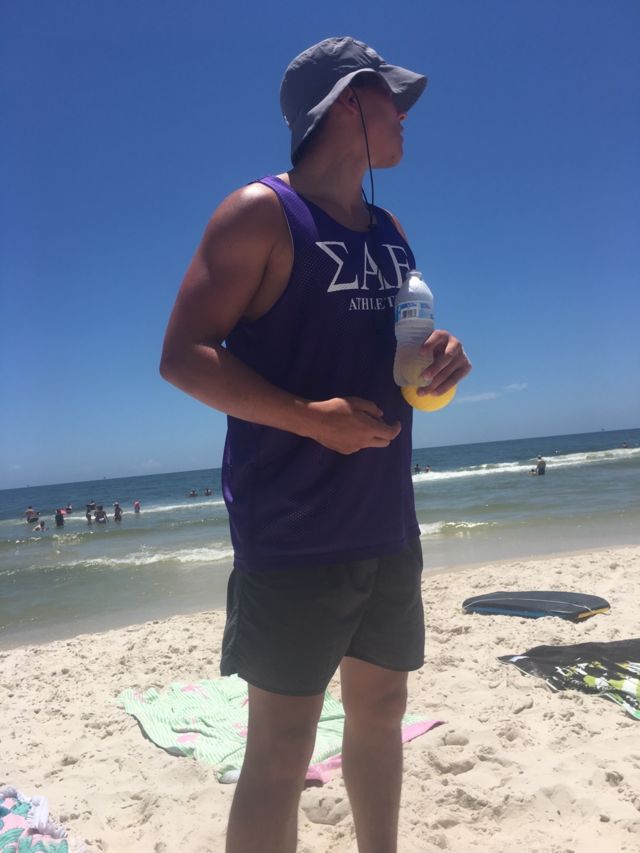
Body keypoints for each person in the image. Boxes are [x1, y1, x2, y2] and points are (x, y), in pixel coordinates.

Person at [160, 36, 471, 853]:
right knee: (281, 750)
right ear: (346, 104)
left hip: (386, 520)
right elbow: (182, 355)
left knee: (382, 712)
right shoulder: (259, 213)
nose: (404, 115)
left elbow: (398, 359)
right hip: (293, 529)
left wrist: (437, 363)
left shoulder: (391, 231)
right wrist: (309, 417)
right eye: (390, 98)